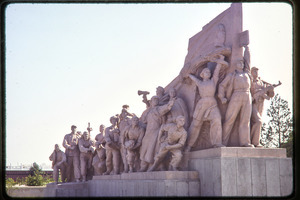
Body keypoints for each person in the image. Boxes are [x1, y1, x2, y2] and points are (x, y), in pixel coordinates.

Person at [185, 55, 227, 152]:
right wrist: (188, 75)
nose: (208, 73)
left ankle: (217, 143)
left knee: (216, 120)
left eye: (209, 72)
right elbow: (193, 78)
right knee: (196, 124)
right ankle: (189, 146)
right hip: (202, 104)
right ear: (202, 75)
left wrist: (220, 62)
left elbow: (216, 72)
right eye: (206, 72)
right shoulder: (200, 83)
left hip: (212, 103)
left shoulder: (213, 81)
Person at [218, 59, 254, 147]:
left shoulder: (247, 74)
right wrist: (222, 97)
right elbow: (222, 85)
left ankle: (245, 142)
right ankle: (222, 142)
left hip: (247, 95)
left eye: (242, 63)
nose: (241, 64)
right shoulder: (232, 75)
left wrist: (247, 48)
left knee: (245, 120)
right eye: (239, 62)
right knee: (229, 119)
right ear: (235, 65)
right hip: (236, 94)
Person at [139, 96, 175, 172]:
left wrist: (170, 104)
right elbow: (143, 121)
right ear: (151, 102)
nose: (155, 101)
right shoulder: (148, 111)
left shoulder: (158, 109)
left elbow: (165, 108)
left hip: (156, 131)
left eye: (157, 100)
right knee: (144, 149)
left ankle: (160, 166)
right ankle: (144, 166)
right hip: (148, 133)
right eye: (154, 100)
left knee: (155, 149)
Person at [250, 67, 279, 147]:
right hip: (252, 104)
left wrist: (270, 90)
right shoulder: (250, 81)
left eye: (257, 71)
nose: (256, 72)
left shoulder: (262, 82)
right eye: (254, 71)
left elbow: (270, 95)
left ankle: (255, 141)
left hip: (261, 103)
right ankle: (254, 142)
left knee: (257, 123)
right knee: (258, 121)